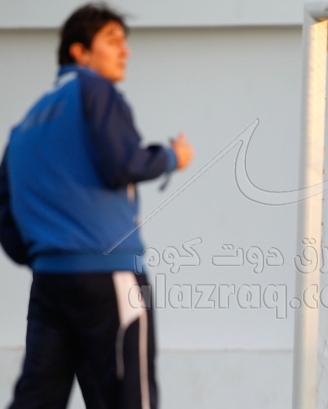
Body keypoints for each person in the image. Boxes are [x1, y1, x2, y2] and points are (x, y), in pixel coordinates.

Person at [0, 4, 193, 408]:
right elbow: (124, 163)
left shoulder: (23, 125)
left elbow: (7, 219)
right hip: (108, 275)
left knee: (37, 399)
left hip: (49, 282)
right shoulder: (96, 91)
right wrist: (172, 157)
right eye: (112, 41)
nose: (125, 51)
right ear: (80, 51)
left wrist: (48, 253)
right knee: (129, 398)